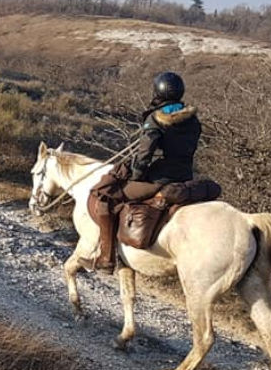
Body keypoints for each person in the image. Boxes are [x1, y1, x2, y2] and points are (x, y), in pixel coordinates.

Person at [82, 71, 202, 273]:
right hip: (185, 175)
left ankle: (106, 258)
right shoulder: (193, 120)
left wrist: (136, 175)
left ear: (158, 92)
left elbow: (145, 155)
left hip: (160, 179)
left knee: (105, 197)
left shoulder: (156, 119)